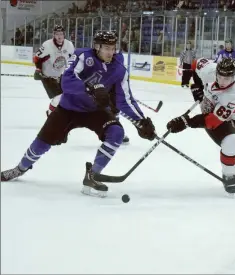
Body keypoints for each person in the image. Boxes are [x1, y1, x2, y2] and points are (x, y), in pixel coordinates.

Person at [1, 31, 156, 198]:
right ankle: (21, 168)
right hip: (69, 109)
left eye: (113, 48)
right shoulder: (82, 55)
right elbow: (66, 81)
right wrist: (91, 88)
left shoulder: (119, 66)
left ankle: (93, 175)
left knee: (116, 132)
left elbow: (124, 99)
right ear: (97, 47)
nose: (111, 52)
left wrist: (140, 121)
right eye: (106, 48)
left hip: (95, 111)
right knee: (42, 143)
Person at [166, 58, 235, 194]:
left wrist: (186, 122)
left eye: (227, 78)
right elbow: (194, 63)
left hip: (228, 114)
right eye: (220, 77)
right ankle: (228, 175)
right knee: (231, 141)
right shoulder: (209, 70)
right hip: (209, 109)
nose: (222, 81)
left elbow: (213, 121)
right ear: (216, 72)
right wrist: (197, 85)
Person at [33, 25, 75, 116]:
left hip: (60, 76)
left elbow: (73, 58)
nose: (59, 36)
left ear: (64, 35)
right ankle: (51, 115)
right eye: (57, 34)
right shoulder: (47, 45)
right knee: (59, 97)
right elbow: (37, 58)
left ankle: (57, 115)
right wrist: (38, 69)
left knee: (66, 96)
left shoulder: (69, 45)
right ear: (54, 35)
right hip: (47, 76)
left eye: (61, 34)